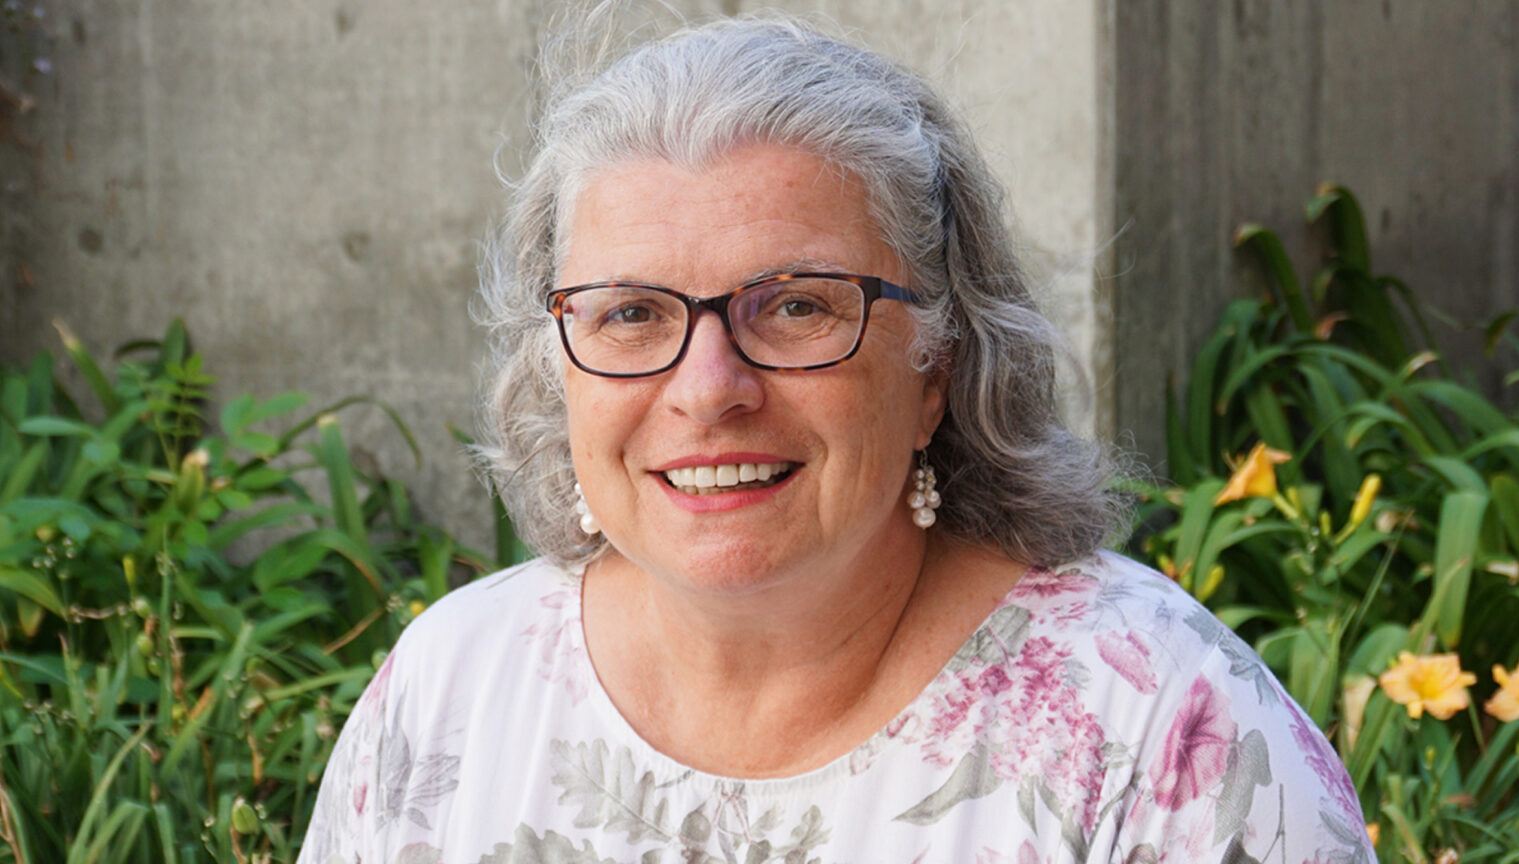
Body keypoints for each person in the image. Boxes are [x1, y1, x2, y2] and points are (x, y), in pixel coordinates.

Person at [300, 14, 1375, 864]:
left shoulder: (1162, 734)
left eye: (798, 307)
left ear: (938, 367)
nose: (707, 389)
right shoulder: (453, 690)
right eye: (631, 314)